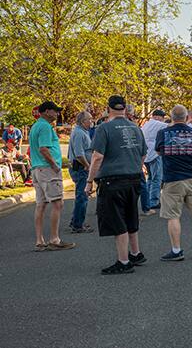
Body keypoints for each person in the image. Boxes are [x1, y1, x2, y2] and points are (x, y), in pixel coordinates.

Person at [86, 96, 147, 274]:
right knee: (131, 215)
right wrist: (135, 165)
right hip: (134, 177)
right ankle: (136, 253)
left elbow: (97, 157)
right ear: (125, 109)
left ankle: (124, 261)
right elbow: (143, 153)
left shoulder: (104, 128)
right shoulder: (136, 128)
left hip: (113, 180)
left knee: (117, 219)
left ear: (108, 109)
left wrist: (89, 181)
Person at [155, 105, 192, 261]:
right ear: (187, 118)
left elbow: (159, 152)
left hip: (172, 180)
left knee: (173, 216)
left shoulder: (163, 133)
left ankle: (176, 250)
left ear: (172, 118)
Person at [29, 101, 75, 252]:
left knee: (41, 204)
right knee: (57, 203)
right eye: (55, 111)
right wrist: (55, 165)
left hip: (37, 168)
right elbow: (43, 148)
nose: (57, 114)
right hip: (47, 169)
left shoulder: (36, 126)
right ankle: (54, 239)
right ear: (47, 111)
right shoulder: (45, 127)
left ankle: (39, 240)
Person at [67, 111, 94, 233]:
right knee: (82, 196)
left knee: (82, 196)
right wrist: (87, 165)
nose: (91, 122)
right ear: (83, 121)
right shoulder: (78, 133)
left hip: (82, 167)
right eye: (90, 119)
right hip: (81, 168)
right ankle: (78, 225)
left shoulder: (83, 132)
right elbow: (79, 154)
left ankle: (76, 220)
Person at [141, 109, 168, 215]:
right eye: (162, 117)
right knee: (157, 178)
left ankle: (147, 200)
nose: (163, 119)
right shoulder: (158, 124)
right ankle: (154, 201)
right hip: (155, 154)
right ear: (157, 117)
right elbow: (170, 127)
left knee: (150, 178)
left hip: (146, 154)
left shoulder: (146, 125)